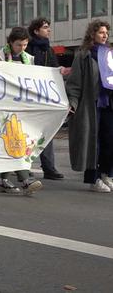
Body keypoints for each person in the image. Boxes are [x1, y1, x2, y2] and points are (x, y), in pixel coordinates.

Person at [0, 27, 43, 195]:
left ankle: (3, 180)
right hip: (3, 106)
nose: (22, 48)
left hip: (21, 107)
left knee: (14, 142)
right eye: (18, 45)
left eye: (25, 44)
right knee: (15, 141)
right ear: (10, 43)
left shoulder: (29, 59)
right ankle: (24, 180)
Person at [65, 20, 113, 193]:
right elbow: (75, 83)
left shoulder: (109, 54)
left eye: (106, 33)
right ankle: (94, 179)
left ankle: (107, 173)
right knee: (93, 143)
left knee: (109, 140)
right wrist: (73, 103)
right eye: (101, 32)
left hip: (109, 103)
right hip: (91, 105)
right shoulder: (84, 55)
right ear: (92, 34)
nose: (105, 35)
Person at [26, 18, 65, 180]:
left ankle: (48, 167)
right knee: (26, 132)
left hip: (45, 96)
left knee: (46, 131)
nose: (49, 30)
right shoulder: (28, 48)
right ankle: (24, 166)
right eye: (45, 28)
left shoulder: (48, 49)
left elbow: (53, 70)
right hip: (29, 97)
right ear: (36, 31)